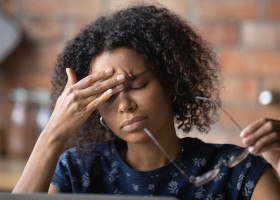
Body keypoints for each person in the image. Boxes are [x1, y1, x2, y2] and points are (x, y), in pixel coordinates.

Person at [13, 3, 280, 199]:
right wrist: (54, 132)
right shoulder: (78, 171)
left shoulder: (237, 172)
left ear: (172, 83)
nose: (125, 104)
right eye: (107, 95)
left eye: (138, 84)